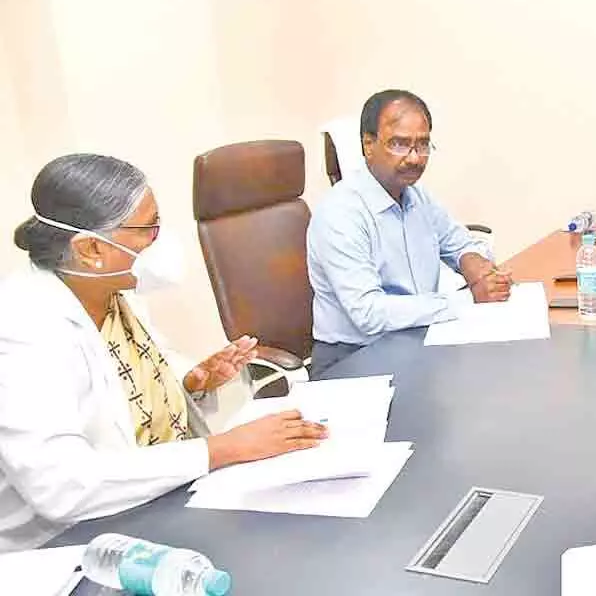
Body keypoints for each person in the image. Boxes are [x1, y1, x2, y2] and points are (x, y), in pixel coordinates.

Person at [0, 154, 327, 552]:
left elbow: (130, 378)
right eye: (148, 228)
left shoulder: (113, 289)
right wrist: (222, 449)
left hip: (149, 505)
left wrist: (191, 381)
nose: (162, 241)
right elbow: (62, 485)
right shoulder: (24, 330)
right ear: (90, 249)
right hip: (67, 545)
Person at [307, 89, 511, 374]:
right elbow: (369, 313)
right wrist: (466, 300)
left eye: (423, 145)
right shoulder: (340, 214)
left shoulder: (416, 197)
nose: (415, 158)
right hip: (354, 359)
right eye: (400, 144)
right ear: (368, 144)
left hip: (415, 340)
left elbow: (457, 241)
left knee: (499, 373)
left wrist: (473, 262)